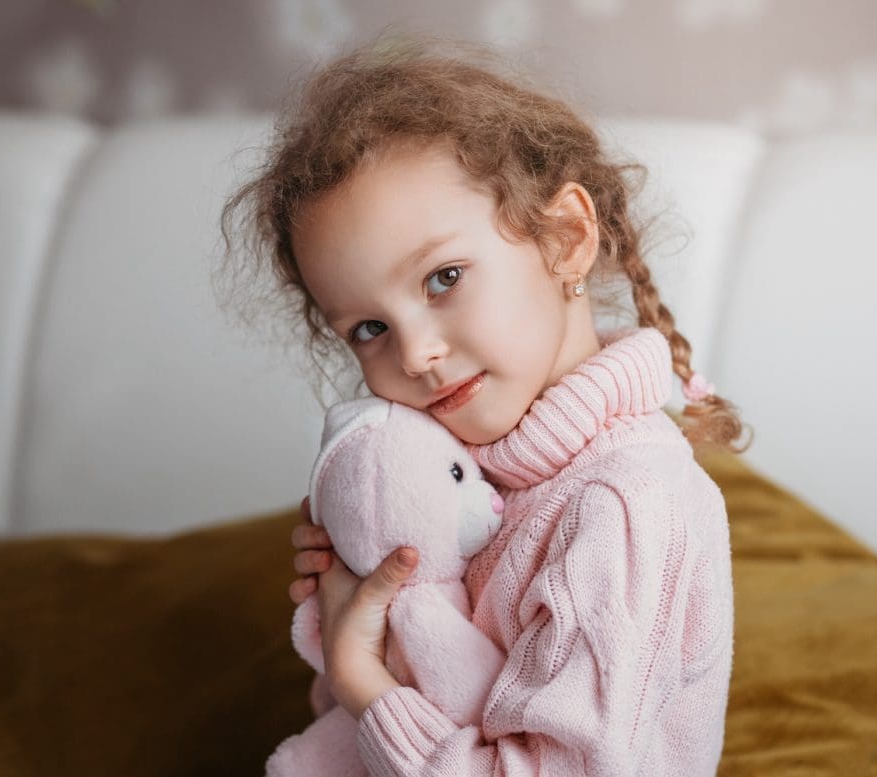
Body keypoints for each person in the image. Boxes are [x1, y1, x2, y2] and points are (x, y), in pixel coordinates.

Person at [221, 35, 745, 777]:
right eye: (369, 329)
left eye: (444, 278)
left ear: (565, 238)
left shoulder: (626, 504)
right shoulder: (455, 481)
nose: (415, 354)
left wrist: (360, 677)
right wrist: (367, 605)